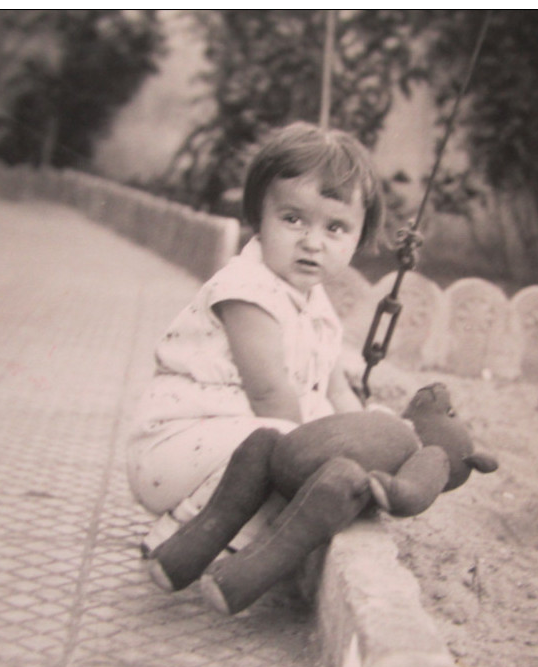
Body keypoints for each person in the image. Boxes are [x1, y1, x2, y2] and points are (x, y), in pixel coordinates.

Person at [126, 121, 386, 562]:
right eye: (292, 219)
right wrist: (317, 455)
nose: (312, 242)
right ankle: (184, 529)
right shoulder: (246, 290)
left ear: (358, 238)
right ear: (258, 219)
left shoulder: (315, 300)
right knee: (286, 443)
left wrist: (369, 440)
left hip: (225, 450)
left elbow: (337, 388)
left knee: (296, 443)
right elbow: (269, 393)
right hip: (171, 450)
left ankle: (232, 539)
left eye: (336, 228)